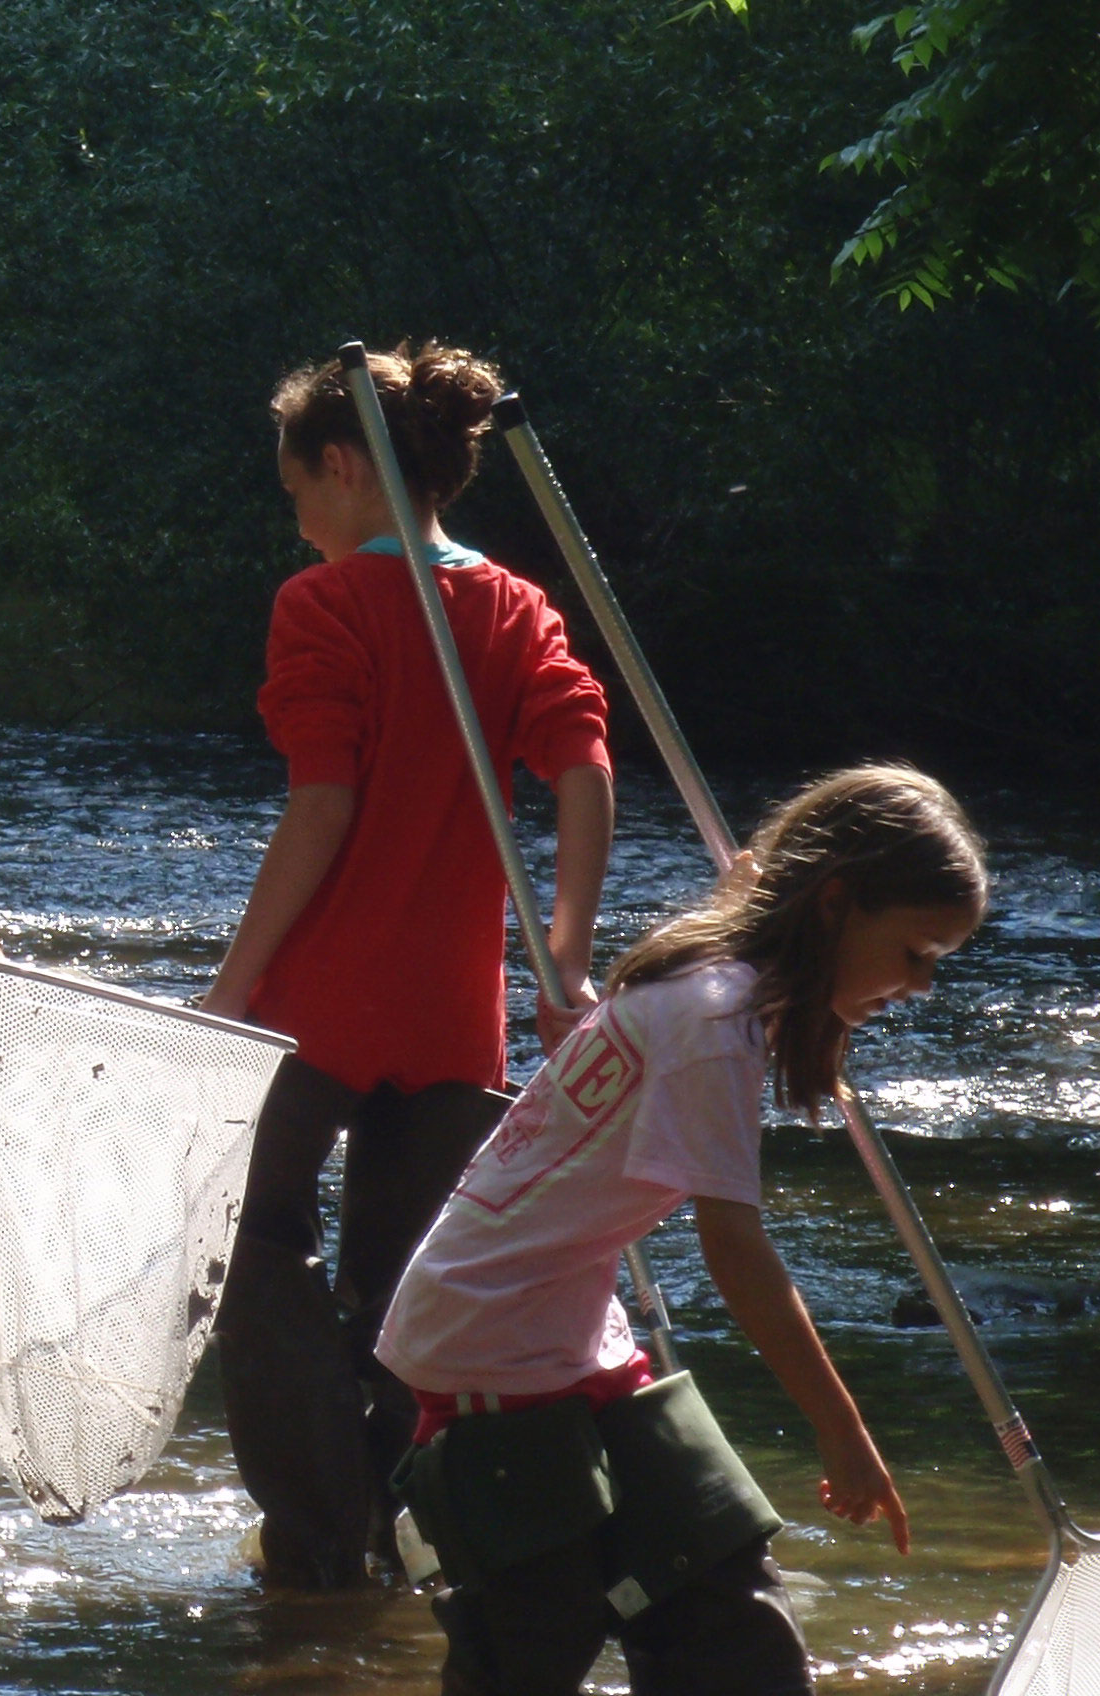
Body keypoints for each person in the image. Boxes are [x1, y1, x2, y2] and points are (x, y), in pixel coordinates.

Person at [378, 766, 969, 1693]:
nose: (922, 984)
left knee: (733, 1628)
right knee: (536, 1645)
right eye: (915, 953)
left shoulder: (729, 986)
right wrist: (842, 1433)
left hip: (572, 1332)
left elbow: (758, 905)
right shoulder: (715, 1020)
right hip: (488, 1332)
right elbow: (736, 1257)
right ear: (835, 905)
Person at [196, 341, 615, 1589]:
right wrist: (566, 958)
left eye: (298, 496)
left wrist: (229, 988)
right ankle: (387, 1536)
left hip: (314, 1010)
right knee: (404, 1297)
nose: (301, 524)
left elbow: (320, 809)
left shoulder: (320, 605)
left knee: (246, 1247)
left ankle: (317, 1545)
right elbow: (586, 769)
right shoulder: (515, 607)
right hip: (451, 1023)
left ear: (343, 466)